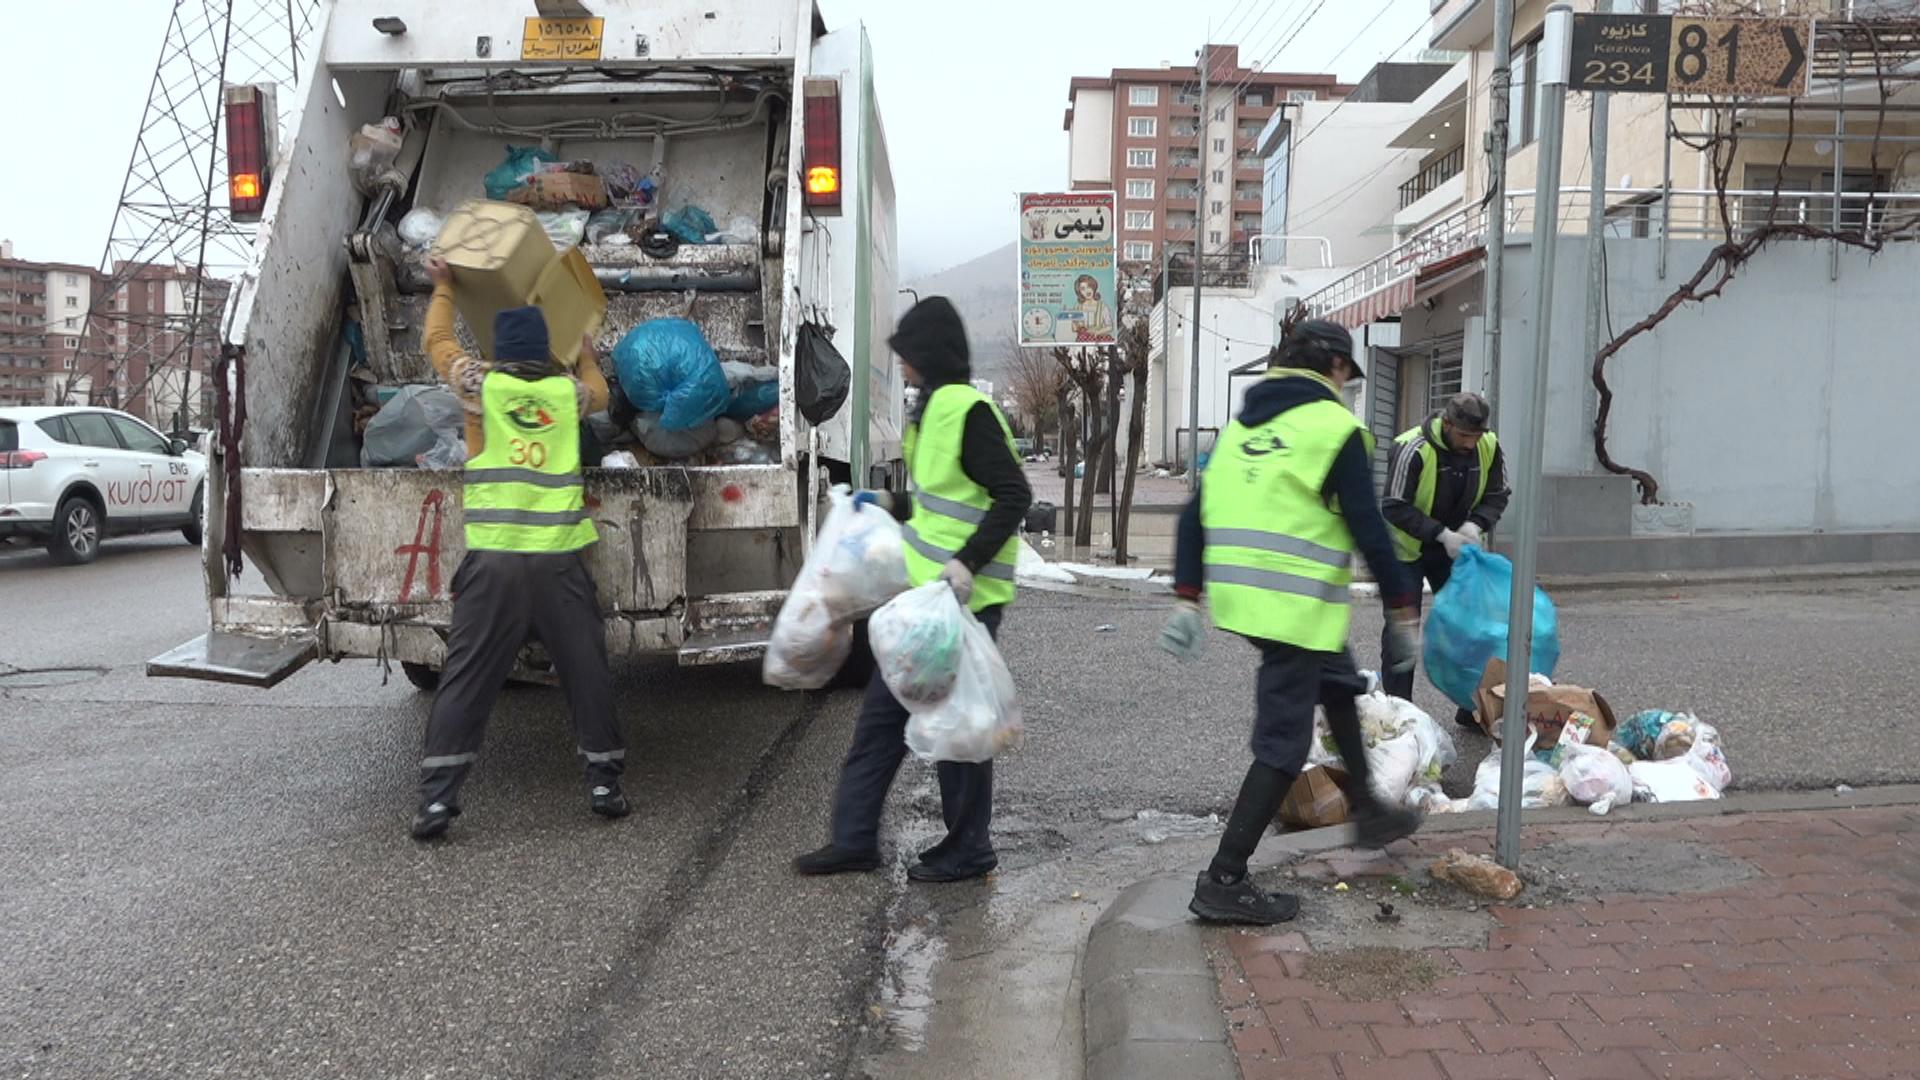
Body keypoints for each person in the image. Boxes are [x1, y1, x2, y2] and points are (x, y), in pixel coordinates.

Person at [1161, 319, 1424, 925]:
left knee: (1337, 681)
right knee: (1281, 744)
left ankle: (1368, 808)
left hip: (1244, 600)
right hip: (1294, 606)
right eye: (1345, 373)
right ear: (1334, 367)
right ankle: (1224, 878)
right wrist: (1401, 602)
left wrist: (1186, 596)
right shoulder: (1335, 429)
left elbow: (1191, 518)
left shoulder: (1242, 429)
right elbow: (1367, 525)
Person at [794, 296, 1033, 884]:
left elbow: (1013, 494)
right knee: (885, 717)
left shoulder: (967, 411)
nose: (901, 365)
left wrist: (966, 564)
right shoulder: (931, 412)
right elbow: (938, 504)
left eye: (908, 355)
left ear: (931, 354)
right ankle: (854, 839)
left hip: (963, 601)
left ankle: (967, 847)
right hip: (926, 600)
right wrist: (889, 503)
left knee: (953, 727)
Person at [410, 255, 629, 840]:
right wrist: (584, 351)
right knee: (587, 670)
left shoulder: (480, 386)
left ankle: (437, 801)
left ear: (500, 355)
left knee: (467, 677)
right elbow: (601, 393)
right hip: (558, 563)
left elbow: (435, 340)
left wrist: (445, 287)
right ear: (546, 354)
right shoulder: (567, 395)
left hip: (494, 565)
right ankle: (604, 783)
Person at [1379, 391, 1509, 720]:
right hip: (1405, 550)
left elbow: (1497, 494)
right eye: (1464, 436)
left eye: (1476, 436)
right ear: (1446, 423)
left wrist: (1474, 524)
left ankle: (1473, 708)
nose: (1470, 444)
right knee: (1402, 636)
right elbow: (1393, 505)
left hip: (1456, 550)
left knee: (1471, 629)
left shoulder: (1488, 446)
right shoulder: (1412, 448)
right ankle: (1400, 715)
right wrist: (1440, 534)